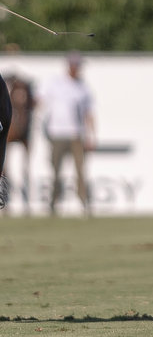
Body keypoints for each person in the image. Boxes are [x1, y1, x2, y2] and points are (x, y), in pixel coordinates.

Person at [41, 52, 95, 216]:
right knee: (55, 171)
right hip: (57, 134)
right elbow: (40, 101)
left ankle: (84, 203)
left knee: (80, 170)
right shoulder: (54, 83)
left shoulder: (83, 87)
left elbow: (89, 113)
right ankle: (53, 204)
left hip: (76, 135)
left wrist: (91, 135)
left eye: (78, 65)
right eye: (74, 65)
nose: (76, 68)